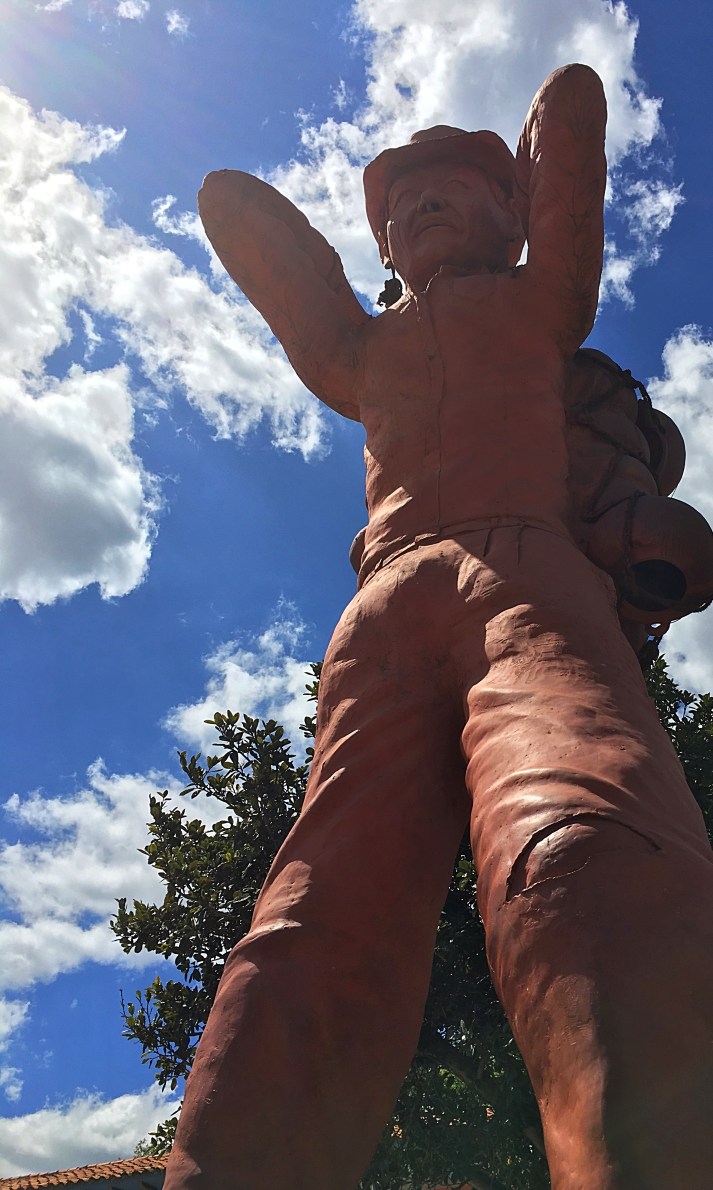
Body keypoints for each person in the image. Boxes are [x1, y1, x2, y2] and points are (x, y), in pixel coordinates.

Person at [165, 65, 713, 1190]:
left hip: (532, 582)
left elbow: (568, 151)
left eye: (453, 186)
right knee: (315, 908)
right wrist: (250, 218)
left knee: (579, 833)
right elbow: (292, 289)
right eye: (398, 202)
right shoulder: (367, 354)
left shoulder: (536, 307)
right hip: (383, 612)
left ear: (510, 215)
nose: (416, 206)